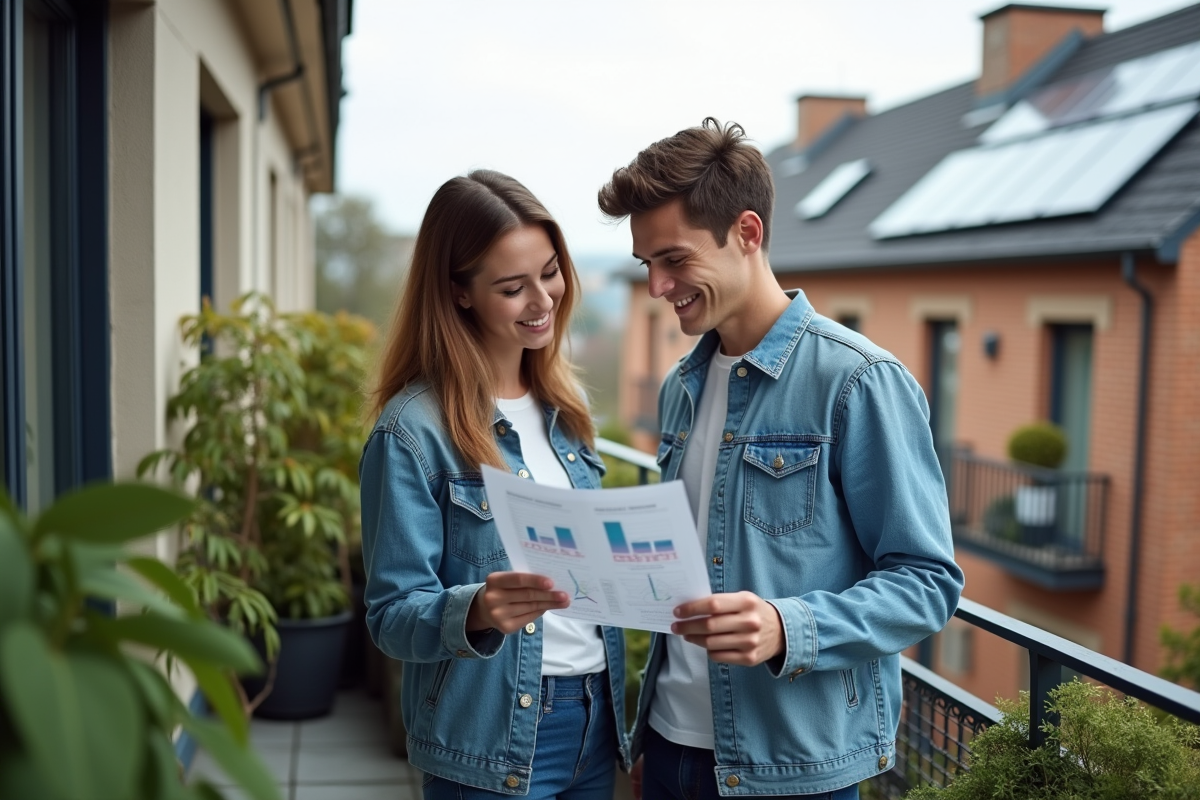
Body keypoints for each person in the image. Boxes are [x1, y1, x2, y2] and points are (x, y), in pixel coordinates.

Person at [597, 119, 964, 800]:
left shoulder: (858, 381)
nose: (656, 286)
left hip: (793, 772)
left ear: (747, 232)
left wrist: (786, 628)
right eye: (646, 264)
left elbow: (926, 583)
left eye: (673, 259)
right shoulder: (681, 386)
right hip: (670, 750)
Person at [360, 170, 628, 800]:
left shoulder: (567, 409)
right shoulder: (412, 431)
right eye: (512, 288)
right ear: (459, 293)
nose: (543, 300)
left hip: (595, 718)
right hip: (488, 739)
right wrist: (477, 609)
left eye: (550, 273)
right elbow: (391, 616)